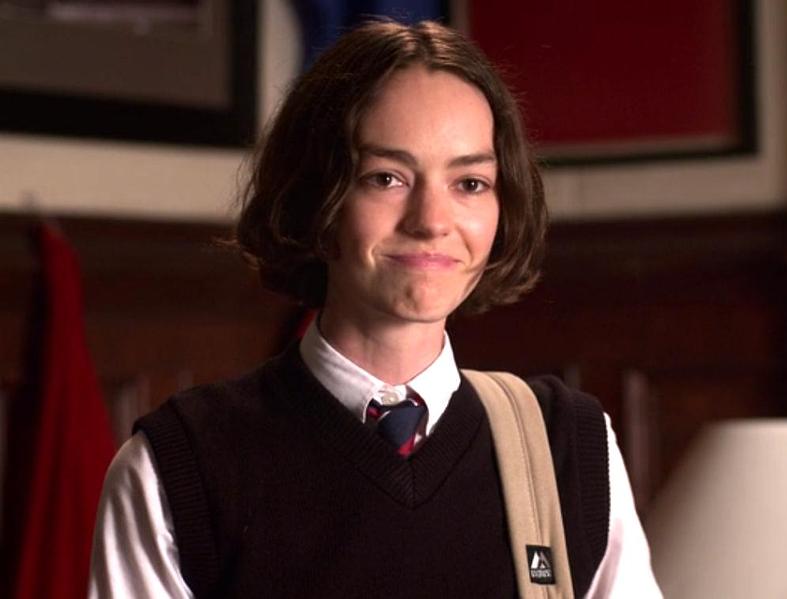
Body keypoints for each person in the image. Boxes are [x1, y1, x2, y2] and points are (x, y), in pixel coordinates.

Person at [88, 19, 662, 598]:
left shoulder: (569, 446)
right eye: (386, 178)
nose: (432, 221)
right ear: (315, 197)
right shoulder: (181, 465)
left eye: (470, 183)